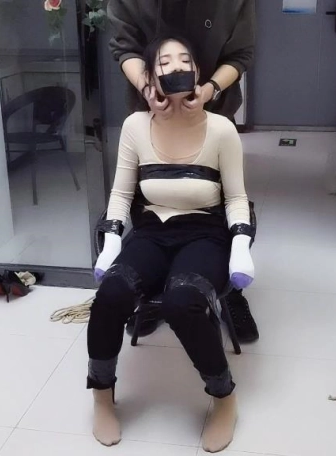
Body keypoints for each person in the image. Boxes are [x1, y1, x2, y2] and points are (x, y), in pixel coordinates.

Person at [88, 36, 255, 453]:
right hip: (151, 231)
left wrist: (240, 247)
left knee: (183, 302)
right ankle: (102, 396)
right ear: (149, 76)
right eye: (164, 62)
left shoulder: (221, 128)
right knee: (110, 295)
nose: (176, 66)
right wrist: (111, 242)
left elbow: (236, 198)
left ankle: (224, 399)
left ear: (197, 73)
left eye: (185, 59)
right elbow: (121, 194)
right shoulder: (135, 126)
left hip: (205, 232)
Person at [107, 0, 260, 343]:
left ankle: (229, 290)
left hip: (210, 108)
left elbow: (241, 54)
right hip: (152, 110)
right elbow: (124, 45)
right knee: (150, 195)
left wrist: (210, 89)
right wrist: (147, 87)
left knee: (220, 197)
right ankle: (152, 282)